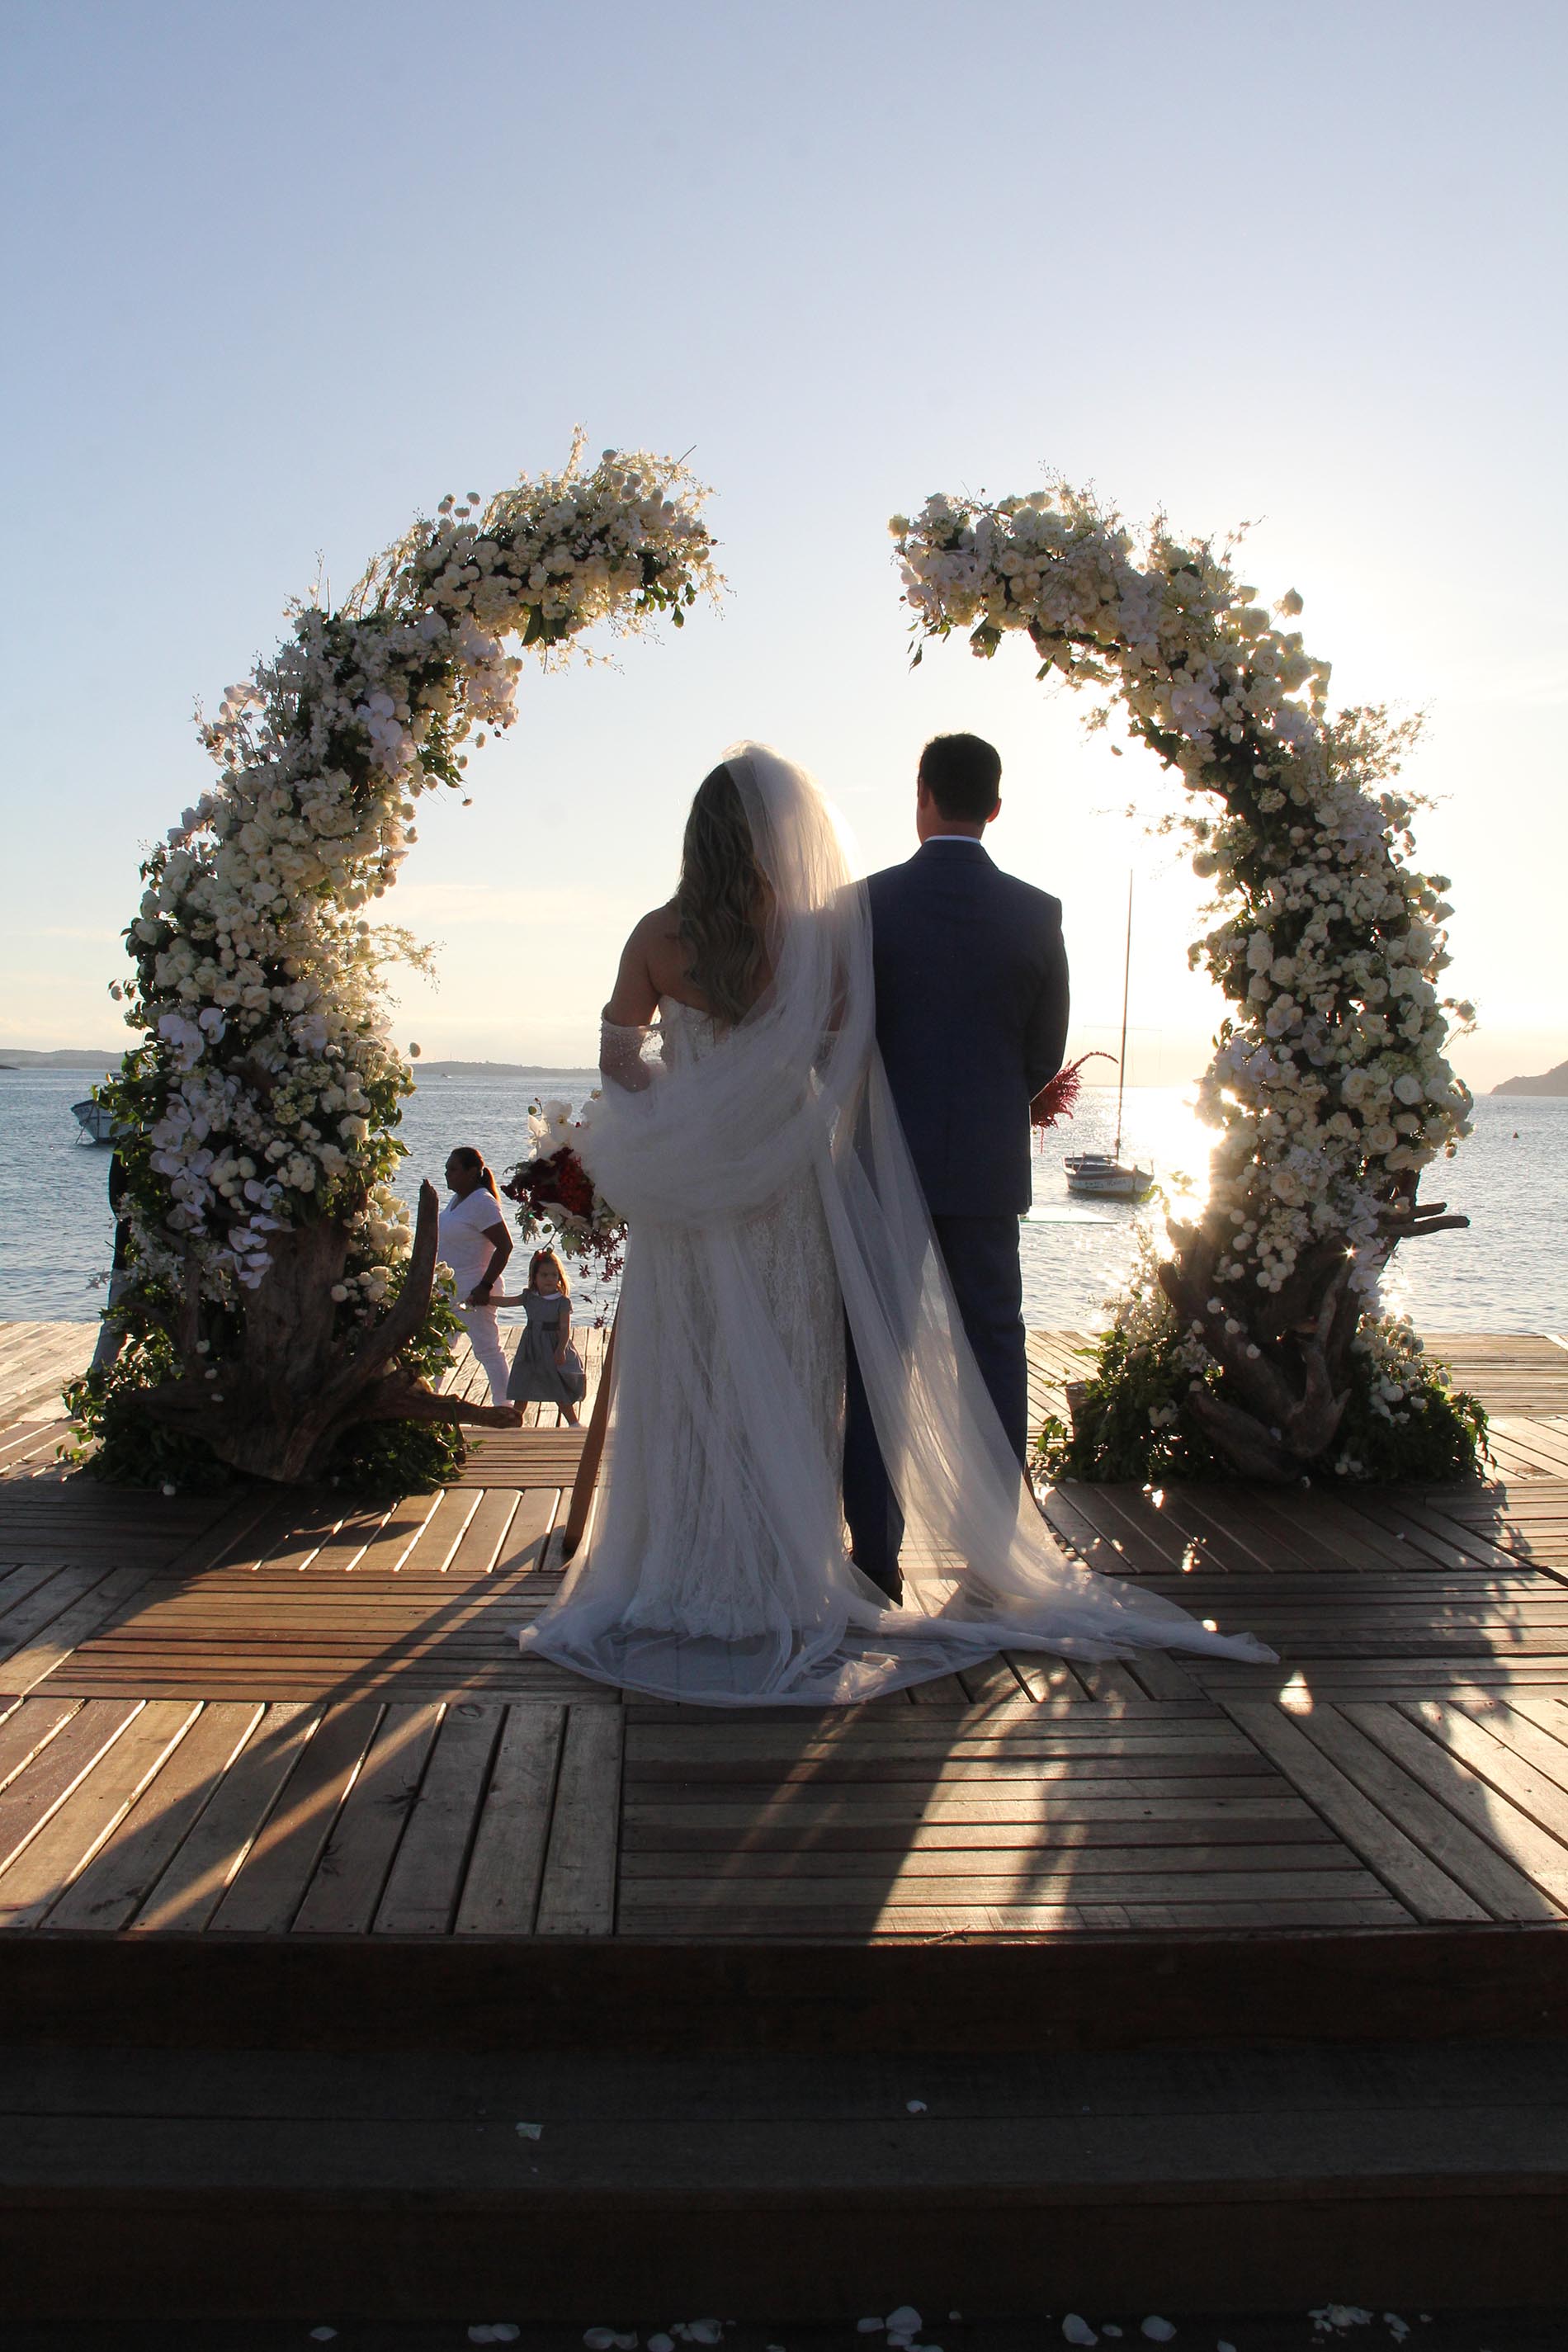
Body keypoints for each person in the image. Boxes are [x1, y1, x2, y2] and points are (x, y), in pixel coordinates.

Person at [516, 742, 1270, 1707]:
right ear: (996, 803)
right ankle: (923, 1555)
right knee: (839, 1365)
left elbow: (622, 1059)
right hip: (811, 1186)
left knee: (702, 1369)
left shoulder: (681, 934)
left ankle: (800, 1556)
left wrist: (690, 1114)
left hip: (707, 1190)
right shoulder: (841, 931)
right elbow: (870, 1060)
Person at [844, 731, 1069, 1599]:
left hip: (883, 1165)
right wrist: (979, 1113)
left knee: (876, 1353)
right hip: (984, 1168)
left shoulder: (865, 905)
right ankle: (988, 1555)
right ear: (996, 808)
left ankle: (875, 1559)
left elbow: (844, 1034)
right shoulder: (1036, 912)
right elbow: (1040, 1057)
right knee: (994, 1351)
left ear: (921, 794)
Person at [438, 1147, 515, 1410]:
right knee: (438, 1347)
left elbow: (505, 1246)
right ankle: (431, 1402)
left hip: (474, 1288)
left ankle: (504, 1406)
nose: (447, 1174)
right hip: (448, 1288)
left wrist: (485, 1286)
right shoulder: (457, 1200)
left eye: (453, 1169)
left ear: (472, 1173)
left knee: (486, 1348)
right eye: (447, 1169)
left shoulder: (482, 1201)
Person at [508, 1248, 588, 1425]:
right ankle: (513, 1421)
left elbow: (565, 1329)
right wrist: (485, 1299)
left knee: (556, 1384)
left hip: (552, 1345)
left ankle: (574, 1423)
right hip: (530, 1346)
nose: (549, 1279)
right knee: (524, 1384)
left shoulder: (562, 1302)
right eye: (544, 1275)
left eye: (553, 1275)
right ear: (535, 1277)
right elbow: (509, 1301)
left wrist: (560, 1350)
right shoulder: (529, 1297)